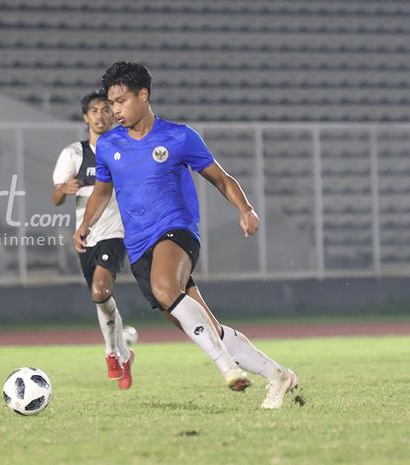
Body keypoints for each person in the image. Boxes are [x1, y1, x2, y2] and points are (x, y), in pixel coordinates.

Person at [73, 62, 298, 409]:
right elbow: (103, 190)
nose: (115, 110)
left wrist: (246, 209)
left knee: (167, 288)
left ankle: (226, 369)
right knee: (209, 330)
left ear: (143, 95)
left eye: (121, 101)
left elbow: (222, 178)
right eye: (111, 102)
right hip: (138, 249)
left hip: (177, 232)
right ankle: (279, 375)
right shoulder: (108, 145)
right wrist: (85, 225)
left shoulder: (178, 137)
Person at [52, 90, 134, 390]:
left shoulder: (124, 149)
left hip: (116, 231)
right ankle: (121, 354)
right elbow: (56, 197)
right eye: (94, 111)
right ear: (86, 117)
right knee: (100, 299)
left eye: (105, 110)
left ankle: (113, 353)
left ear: (113, 115)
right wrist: (64, 190)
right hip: (85, 235)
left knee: (101, 291)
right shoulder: (73, 153)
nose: (100, 115)